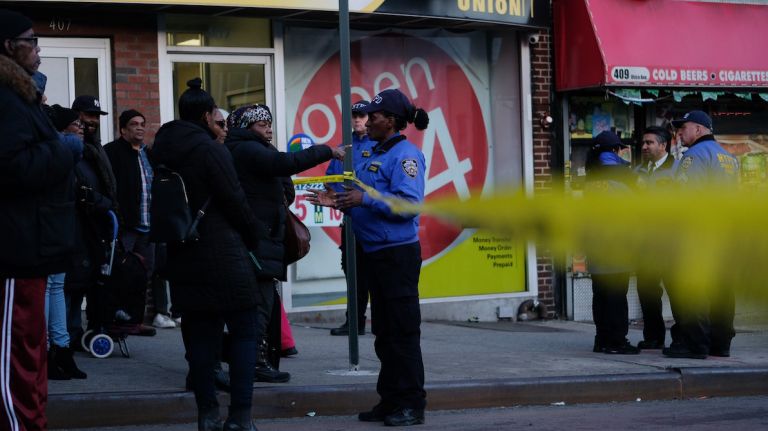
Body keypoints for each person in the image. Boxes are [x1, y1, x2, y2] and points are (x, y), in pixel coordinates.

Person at [308, 88, 429, 426]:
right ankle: (390, 401)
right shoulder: (374, 151)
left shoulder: (405, 155)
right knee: (385, 334)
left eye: (374, 115)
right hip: (373, 252)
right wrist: (338, 201)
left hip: (396, 255)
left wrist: (364, 201)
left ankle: (411, 404)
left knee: (402, 333)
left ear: (390, 121)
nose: (367, 120)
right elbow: (360, 196)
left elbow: (408, 205)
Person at [152, 78, 262, 431]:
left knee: (200, 338)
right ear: (204, 115)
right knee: (245, 329)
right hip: (223, 252)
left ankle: (207, 415)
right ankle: (241, 417)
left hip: (183, 253)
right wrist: (253, 237)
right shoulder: (211, 150)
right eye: (215, 115)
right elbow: (235, 199)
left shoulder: (160, 150)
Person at [225, 104, 344, 382]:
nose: (268, 128)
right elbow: (285, 164)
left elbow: (281, 185)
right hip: (257, 241)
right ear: (246, 127)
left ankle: (255, 359)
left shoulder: (249, 149)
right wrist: (326, 150)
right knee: (260, 305)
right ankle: (253, 363)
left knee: (262, 304)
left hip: (262, 239)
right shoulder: (247, 149)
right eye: (261, 124)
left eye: (269, 122)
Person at [0, 9, 77, 430]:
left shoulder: (18, 96)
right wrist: (65, 149)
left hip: (32, 249)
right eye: (32, 40)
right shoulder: (6, 98)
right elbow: (11, 167)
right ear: (10, 46)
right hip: (16, 249)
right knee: (15, 359)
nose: (39, 49)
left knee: (30, 351)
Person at [663, 110, 738, 360]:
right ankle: (721, 343)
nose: (679, 133)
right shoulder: (729, 158)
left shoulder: (693, 156)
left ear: (698, 129)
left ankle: (695, 344)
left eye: (683, 128)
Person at [104, 110, 175, 329]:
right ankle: (114, 317)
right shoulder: (112, 152)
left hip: (149, 225)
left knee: (145, 274)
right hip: (126, 225)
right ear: (123, 129)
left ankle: (136, 320)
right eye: (134, 124)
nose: (140, 128)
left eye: (142, 124)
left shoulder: (148, 154)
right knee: (120, 272)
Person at [584, 131, 640, 356]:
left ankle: (603, 340)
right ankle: (617, 341)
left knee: (601, 296)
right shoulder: (622, 178)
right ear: (615, 151)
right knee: (617, 297)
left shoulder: (591, 178)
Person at [43, 104, 89, 380]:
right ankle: (54, 349)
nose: (81, 128)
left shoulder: (62, 151)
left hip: (58, 223)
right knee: (51, 287)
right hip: (51, 224)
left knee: (55, 286)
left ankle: (59, 349)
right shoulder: (64, 149)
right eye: (76, 124)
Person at [327, 100, 375, 337]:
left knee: (376, 273)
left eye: (362, 115)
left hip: (374, 220)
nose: (357, 119)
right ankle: (354, 322)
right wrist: (345, 199)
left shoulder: (379, 146)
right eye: (354, 115)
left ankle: (380, 321)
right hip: (351, 220)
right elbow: (330, 179)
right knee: (352, 271)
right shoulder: (343, 148)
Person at [634, 126, 676, 350]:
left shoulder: (677, 170)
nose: (644, 147)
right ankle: (653, 337)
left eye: (649, 142)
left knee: (678, 292)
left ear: (663, 145)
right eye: (643, 143)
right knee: (648, 292)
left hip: (670, 243)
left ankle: (683, 338)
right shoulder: (640, 171)